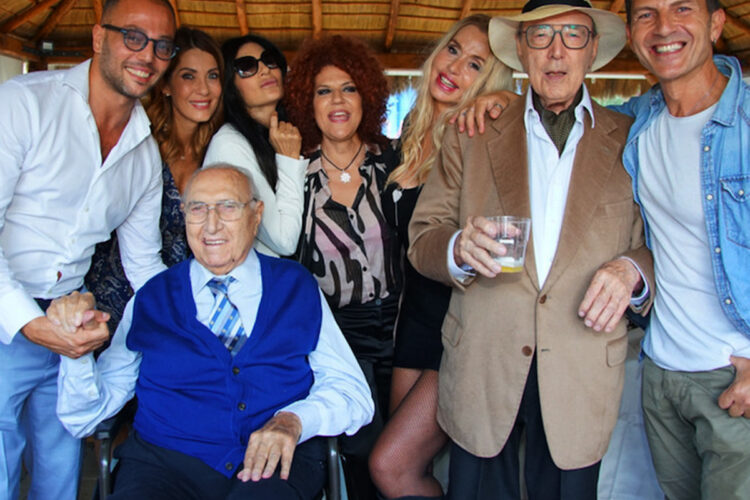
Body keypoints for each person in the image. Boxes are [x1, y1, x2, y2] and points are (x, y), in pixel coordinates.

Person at [407, 0, 655, 498]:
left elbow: (656, 242)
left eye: (573, 35)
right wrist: (458, 247)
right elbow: (422, 236)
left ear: (592, 51)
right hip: (483, 363)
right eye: (541, 36)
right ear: (521, 50)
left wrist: (632, 268)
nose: (556, 51)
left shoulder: (630, 138)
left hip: (581, 366)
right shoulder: (471, 131)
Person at [54, 165, 374, 500]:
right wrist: (76, 353)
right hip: (163, 466)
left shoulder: (297, 286)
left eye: (228, 207)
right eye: (198, 209)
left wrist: (294, 421)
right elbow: (84, 419)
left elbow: (353, 393)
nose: (211, 224)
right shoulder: (151, 298)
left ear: (256, 214)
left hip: (273, 463)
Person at [0, 0, 175, 498]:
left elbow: (143, 263)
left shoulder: (144, 153)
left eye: (163, 45)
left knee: (60, 476)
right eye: (133, 37)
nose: (148, 55)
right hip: (6, 317)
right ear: (99, 37)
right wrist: (29, 322)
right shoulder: (23, 103)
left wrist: (188, 316)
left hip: (70, 325)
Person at [369, 14, 513, 500]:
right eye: (453, 50)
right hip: (413, 322)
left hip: (460, 325)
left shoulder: (482, 135)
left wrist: (508, 101)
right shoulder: (410, 135)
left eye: (475, 64)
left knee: (391, 466)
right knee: (408, 469)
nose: (454, 67)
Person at [617, 0, 750, 497]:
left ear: (715, 23)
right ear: (631, 33)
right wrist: (498, 101)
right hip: (663, 373)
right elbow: (563, 115)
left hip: (735, 375)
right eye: (647, 14)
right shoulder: (638, 120)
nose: (664, 27)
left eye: (681, 8)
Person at [285, 35, 401, 500]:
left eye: (348, 88)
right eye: (324, 90)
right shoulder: (295, 172)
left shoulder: (393, 161)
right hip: (337, 335)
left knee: (401, 451)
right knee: (358, 452)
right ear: (306, 102)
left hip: (402, 327)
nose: (337, 100)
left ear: (366, 96)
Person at [86, 26, 224, 330]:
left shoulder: (218, 154)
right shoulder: (138, 144)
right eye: (188, 76)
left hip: (184, 305)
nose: (204, 89)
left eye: (213, 76)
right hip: (113, 300)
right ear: (165, 85)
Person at [203, 34, 306, 257]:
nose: (265, 70)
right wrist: (288, 159)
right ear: (231, 84)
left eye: (269, 60)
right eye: (247, 66)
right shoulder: (229, 145)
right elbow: (285, 240)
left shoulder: (288, 133)